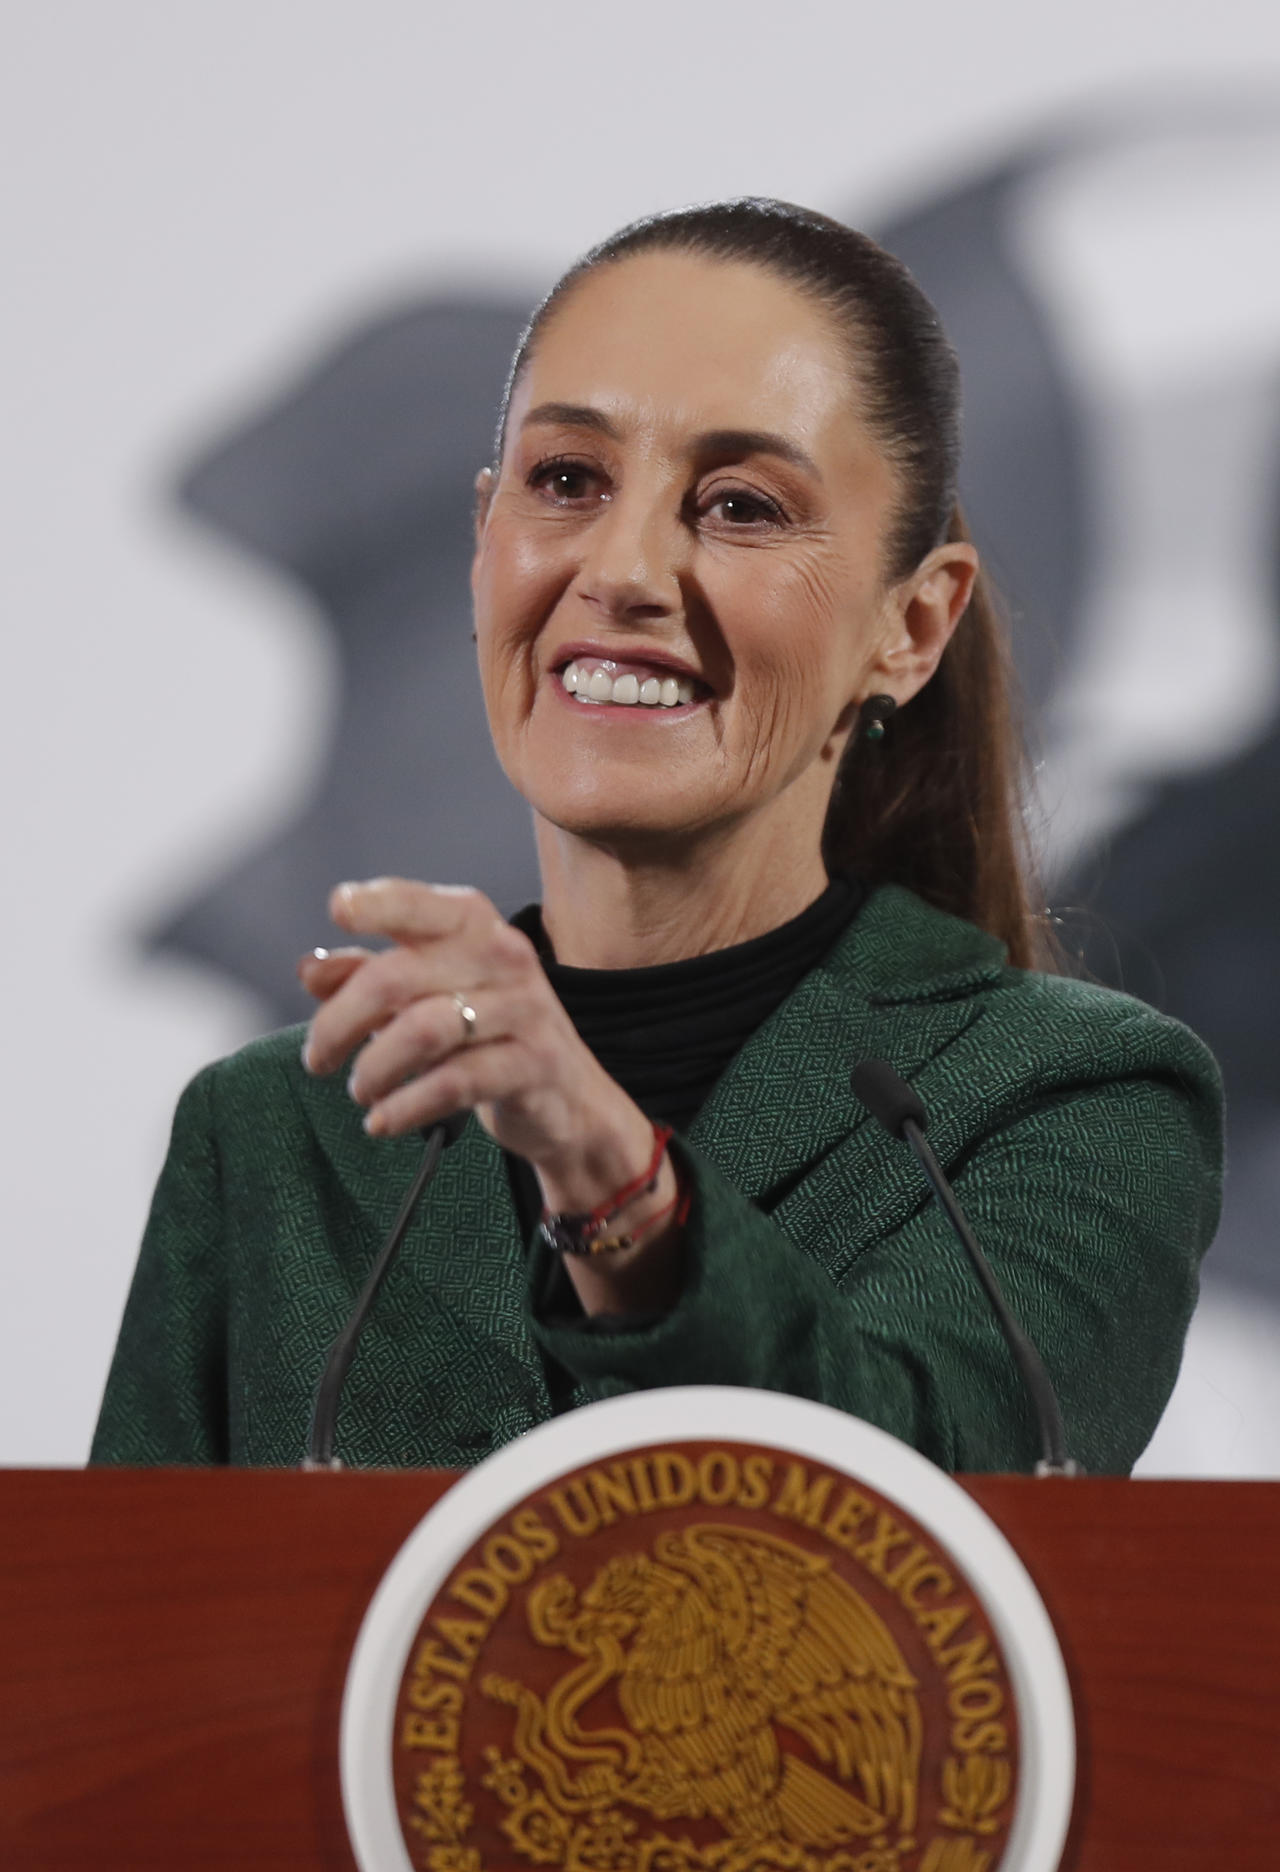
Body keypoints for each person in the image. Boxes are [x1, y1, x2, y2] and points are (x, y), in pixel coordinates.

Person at [91, 199, 1222, 1476]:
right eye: (565, 482)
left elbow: (938, 1519)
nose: (621, 568)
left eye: (740, 505)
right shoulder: (274, 1134)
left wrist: (610, 1175)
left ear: (909, 627)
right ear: (484, 549)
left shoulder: (1062, 1098)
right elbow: (123, 1650)